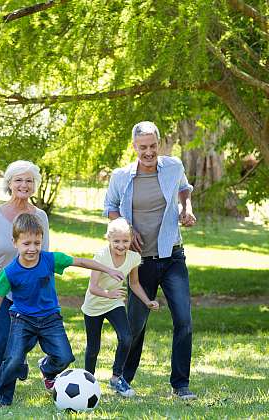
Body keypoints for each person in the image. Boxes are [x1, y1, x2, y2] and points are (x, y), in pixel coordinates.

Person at [0, 213, 125, 407]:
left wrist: (109, 270)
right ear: (15, 242)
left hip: (50, 319)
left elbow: (80, 261)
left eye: (37, 243)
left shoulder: (50, 260)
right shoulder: (10, 272)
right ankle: (2, 399)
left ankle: (46, 368)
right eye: (26, 243)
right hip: (22, 319)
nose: (32, 248)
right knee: (12, 360)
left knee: (65, 357)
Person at [103, 121, 197, 400]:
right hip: (139, 261)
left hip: (172, 255)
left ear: (159, 144)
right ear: (134, 147)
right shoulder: (121, 177)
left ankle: (181, 384)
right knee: (136, 322)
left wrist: (186, 208)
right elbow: (110, 209)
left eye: (153, 146)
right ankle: (121, 377)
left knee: (184, 319)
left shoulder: (173, 167)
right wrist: (126, 230)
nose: (149, 152)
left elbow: (184, 188)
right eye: (143, 147)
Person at [0, 160, 50, 400]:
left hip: (28, 291)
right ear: (9, 184)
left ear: (34, 185)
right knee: (2, 341)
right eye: (18, 180)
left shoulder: (40, 217)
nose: (24, 185)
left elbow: (44, 255)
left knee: (26, 340)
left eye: (29, 180)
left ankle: (20, 360)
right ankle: (2, 395)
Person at [82, 218, 159, 398]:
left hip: (114, 303)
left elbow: (134, 283)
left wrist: (147, 301)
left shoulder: (134, 258)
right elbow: (92, 287)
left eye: (125, 241)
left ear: (131, 239)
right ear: (108, 239)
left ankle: (117, 378)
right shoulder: (101, 256)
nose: (121, 245)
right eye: (117, 241)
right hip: (94, 305)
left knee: (126, 338)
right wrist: (108, 294)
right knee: (93, 347)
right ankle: (88, 381)